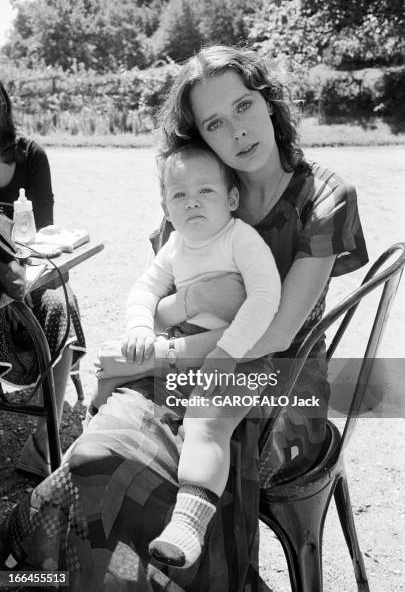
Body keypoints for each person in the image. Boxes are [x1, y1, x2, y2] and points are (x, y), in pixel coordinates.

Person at [0, 46, 368, 591]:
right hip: (186, 365)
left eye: (244, 107)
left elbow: (280, 331)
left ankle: (151, 576)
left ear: (268, 101)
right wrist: (178, 314)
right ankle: (79, 574)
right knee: (94, 458)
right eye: (216, 123)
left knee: (133, 471)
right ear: (200, 134)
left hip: (275, 392)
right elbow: (162, 293)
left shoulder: (323, 197)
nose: (238, 132)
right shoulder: (200, 185)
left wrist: (165, 351)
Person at [90, 142, 281, 568]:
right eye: (179, 195)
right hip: (190, 350)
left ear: (232, 199)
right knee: (119, 373)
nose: (192, 202)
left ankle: (189, 520)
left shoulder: (239, 239)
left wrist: (229, 351)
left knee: (205, 423)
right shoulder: (175, 245)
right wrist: (140, 326)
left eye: (206, 192)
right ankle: (101, 425)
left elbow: (266, 297)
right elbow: (145, 289)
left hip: (243, 355)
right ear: (165, 205)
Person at [0, 80, 86, 479]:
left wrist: (21, 285)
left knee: (62, 305)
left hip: (27, 265)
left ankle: (41, 443)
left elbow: (45, 229)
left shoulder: (31, 155)